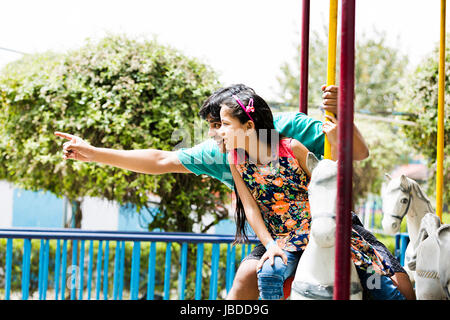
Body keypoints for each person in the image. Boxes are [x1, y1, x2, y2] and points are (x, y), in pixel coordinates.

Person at [55, 83, 414, 300]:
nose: (214, 133)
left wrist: (341, 119)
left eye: (219, 124)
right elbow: (161, 159)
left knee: (399, 283)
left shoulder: (294, 134)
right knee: (247, 278)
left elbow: (357, 153)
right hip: (279, 233)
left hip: (324, 223)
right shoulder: (226, 155)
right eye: (212, 126)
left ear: (247, 122)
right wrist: (93, 153)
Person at [217, 89, 408, 300]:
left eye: (225, 124)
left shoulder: (291, 148)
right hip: (284, 238)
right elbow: (250, 207)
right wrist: (270, 245)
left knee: (380, 285)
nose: (219, 131)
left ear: (249, 126)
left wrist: (335, 145)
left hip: (319, 227)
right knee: (269, 273)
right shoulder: (235, 160)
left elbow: (328, 181)